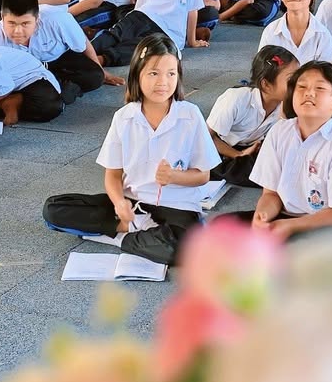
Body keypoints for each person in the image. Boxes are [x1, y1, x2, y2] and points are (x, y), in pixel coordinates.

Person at [41, 36, 219, 266]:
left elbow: (203, 176)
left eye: (171, 73)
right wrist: (118, 203)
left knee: (186, 250)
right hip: (132, 204)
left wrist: (175, 176)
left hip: (177, 207)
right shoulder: (124, 117)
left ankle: (119, 238)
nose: (163, 82)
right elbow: (113, 175)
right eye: (153, 73)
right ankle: (132, 229)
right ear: (137, 75)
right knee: (54, 209)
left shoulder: (190, 115)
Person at [244, 60, 332, 237]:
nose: (309, 93)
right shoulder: (279, 131)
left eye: (320, 88)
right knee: (226, 230)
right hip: (291, 218)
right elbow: (271, 194)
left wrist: (290, 226)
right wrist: (262, 216)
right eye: (301, 87)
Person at [208, 44, 295, 186]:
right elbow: (206, 137)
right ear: (266, 85)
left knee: (284, 162)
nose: (298, 84)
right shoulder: (236, 99)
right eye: (291, 80)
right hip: (220, 148)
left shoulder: (286, 102)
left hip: (251, 148)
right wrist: (238, 155)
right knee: (246, 170)